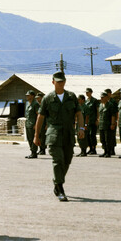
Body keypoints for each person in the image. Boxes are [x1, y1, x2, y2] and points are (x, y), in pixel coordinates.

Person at [34, 71, 84, 202]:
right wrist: (36, 135)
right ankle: (60, 188)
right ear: (53, 82)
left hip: (68, 133)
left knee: (67, 160)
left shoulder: (71, 96)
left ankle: (57, 183)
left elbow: (79, 113)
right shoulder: (47, 98)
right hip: (54, 134)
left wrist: (81, 128)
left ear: (65, 82)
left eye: (62, 81)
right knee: (58, 160)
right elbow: (40, 117)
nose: (60, 83)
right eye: (57, 81)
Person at [97, 92, 115, 158]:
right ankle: (105, 151)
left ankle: (108, 152)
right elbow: (99, 114)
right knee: (102, 139)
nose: (101, 99)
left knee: (108, 139)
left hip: (107, 125)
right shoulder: (101, 105)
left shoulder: (110, 105)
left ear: (106, 98)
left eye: (102, 97)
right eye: (101, 97)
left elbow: (113, 115)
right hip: (101, 125)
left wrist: (112, 124)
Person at [24, 90, 40, 159]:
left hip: (33, 124)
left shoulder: (35, 104)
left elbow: (38, 115)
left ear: (32, 96)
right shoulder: (28, 104)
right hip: (28, 124)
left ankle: (34, 152)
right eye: (27, 95)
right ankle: (32, 152)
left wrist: (36, 125)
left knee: (33, 138)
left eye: (28, 95)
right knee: (29, 139)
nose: (27, 96)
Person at [84, 88, 99, 155]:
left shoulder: (94, 101)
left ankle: (94, 149)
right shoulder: (86, 101)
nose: (87, 93)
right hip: (87, 121)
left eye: (88, 92)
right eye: (86, 92)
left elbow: (97, 110)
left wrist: (97, 119)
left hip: (93, 120)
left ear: (91, 92)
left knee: (92, 135)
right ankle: (90, 148)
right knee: (87, 135)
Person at [105, 88, 118, 155]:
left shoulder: (113, 101)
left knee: (112, 136)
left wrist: (115, 120)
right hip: (107, 121)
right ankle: (108, 149)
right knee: (108, 137)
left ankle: (112, 149)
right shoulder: (105, 101)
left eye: (107, 93)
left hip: (112, 121)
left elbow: (116, 112)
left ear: (110, 94)